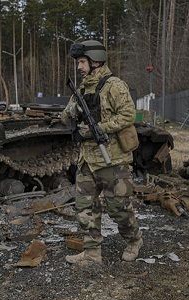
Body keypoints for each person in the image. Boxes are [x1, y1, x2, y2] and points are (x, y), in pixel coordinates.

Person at [60, 39, 142, 266]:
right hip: (87, 159)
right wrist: (72, 110)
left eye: (82, 61)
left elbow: (128, 116)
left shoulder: (114, 85)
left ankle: (134, 240)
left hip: (112, 158)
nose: (79, 67)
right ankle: (91, 253)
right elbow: (64, 117)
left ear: (96, 61)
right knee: (85, 207)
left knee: (119, 208)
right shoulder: (81, 88)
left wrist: (100, 128)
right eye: (78, 62)